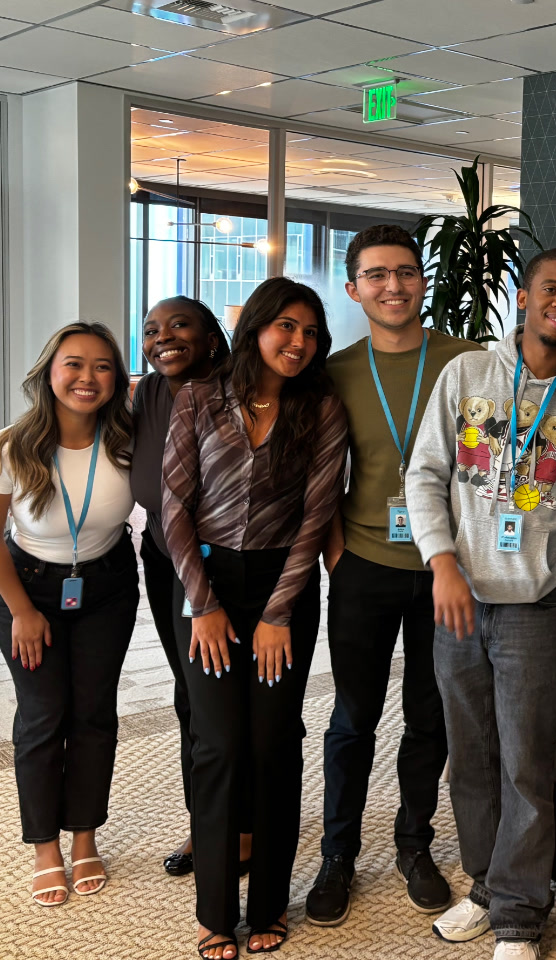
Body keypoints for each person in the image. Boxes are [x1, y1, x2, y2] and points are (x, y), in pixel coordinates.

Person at [405, 248, 556, 960]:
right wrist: (441, 564)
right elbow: (425, 476)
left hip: (538, 605)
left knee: (525, 762)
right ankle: (487, 887)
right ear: (523, 298)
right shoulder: (466, 374)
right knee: (469, 758)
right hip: (459, 598)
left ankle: (521, 915)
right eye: (550, 288)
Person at [163, 277, 348, 959]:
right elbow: (174, 506)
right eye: (287, 327)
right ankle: (215, 910)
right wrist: (204, 605)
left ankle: (268, 902)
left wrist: (279, 612)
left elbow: (316, 515)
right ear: (257, 328)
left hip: (284, 586)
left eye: (310, 333)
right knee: (217, 747)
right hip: (207, 583)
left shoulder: (321, 410)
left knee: (274, 746)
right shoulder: (198, 398)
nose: (298, 343)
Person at [306, 224, 483, 927]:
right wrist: (335, 552)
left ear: (422, 281)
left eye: (406, 272)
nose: (394, 286)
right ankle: (337, 854)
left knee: (429, 717)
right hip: (365, 565)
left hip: (450, 573)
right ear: (354, 288)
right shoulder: (337, 371)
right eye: (377, 275)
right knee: (352, 718)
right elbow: (315, 475)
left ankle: (415, 845)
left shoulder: (467, 361)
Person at [0, 322, 137, 907]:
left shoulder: (131, 441)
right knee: (42, 715)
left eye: (103, 366)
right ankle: (44, 848)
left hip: (106, 587)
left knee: (93, 714)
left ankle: (85, 837)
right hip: (25, 589)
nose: (87, 377)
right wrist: (22, 611)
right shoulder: (12, 445)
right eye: (74, 364)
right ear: (48, 372)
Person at [131, 297, 247, 879]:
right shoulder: (147, 393)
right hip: (163, 558)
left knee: (229, 696)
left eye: (179, 325)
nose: (162, 338)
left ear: (210, 338)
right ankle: (207, 821)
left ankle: (244, 826)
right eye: (151, 330)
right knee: (189, 692)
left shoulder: (238, 390)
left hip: (229, 563)